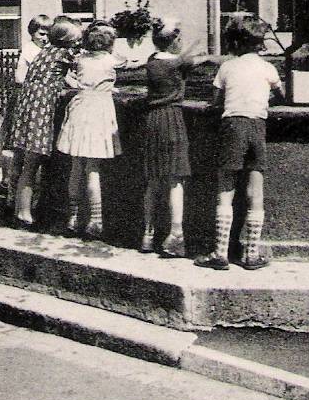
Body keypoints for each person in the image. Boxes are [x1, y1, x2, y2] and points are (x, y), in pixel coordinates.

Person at [195, 14, 284, 271]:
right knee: (256, 189)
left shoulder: (227, 67)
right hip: (257, 126)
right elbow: (282, 95)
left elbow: (216, 101)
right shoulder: (268, 69)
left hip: (232, 125)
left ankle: (220, 253)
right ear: (261, 42)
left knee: (226, 188)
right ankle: (251, 254)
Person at [141, 17, 214, 256]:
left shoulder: (152, 62)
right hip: (172, 119)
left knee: (152, 180)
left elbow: (183, 57)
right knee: (176, 181)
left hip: (153, 120)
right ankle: (176, 234)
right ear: (175, 41)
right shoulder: (178, 64)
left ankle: (148, 235)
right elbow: (198, 59)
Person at [55, 19, 128, 239]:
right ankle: (95, 220)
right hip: (99, 113)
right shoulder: (112, 60)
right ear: (110, 43)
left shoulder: (80, 60)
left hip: (80, 108)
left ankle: (73, 216)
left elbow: (73, 75)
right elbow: (128, 64)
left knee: (76, 166)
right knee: (93, 169)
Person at [7, 17, 80, 228]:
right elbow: (80, 72)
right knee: (32, 164)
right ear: (66, 39)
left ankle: (20, 206)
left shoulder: (46, 51)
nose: (78, 42)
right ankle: (24, 212)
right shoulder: (64, 54)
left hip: (28, 107)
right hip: (40, 110)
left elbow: (62, 77)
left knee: (26, 162)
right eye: (75, 39)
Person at [1, 14, 52, 199]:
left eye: (48, 35)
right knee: (20, 149)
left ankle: (17, 193)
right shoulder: (30, 51)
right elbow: (19, 78)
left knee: (24, 151)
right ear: (32, 33)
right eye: (41, 34)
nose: (45, 38)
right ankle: (12, 192)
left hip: (31, 99)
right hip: (25, 100)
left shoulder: (43, 50)